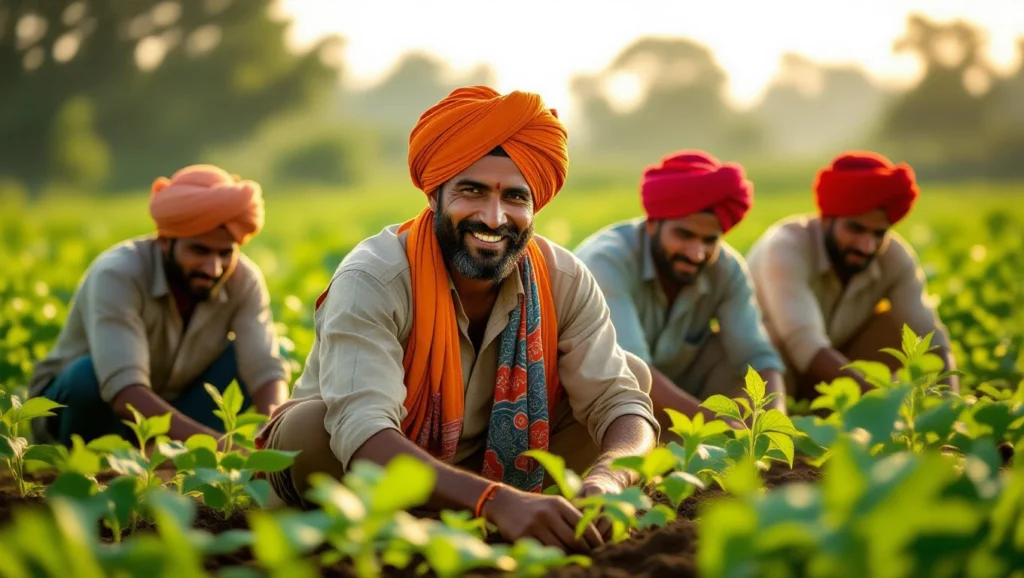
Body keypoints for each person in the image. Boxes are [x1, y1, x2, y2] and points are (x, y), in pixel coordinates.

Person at [257, 86, 660, 554]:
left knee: (632, 377)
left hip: (492, 471)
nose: (494, 217)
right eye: (472, 191)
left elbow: (620, 403)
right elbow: (364, 431)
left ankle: (477, 510)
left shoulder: (563, 277)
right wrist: (493, 500)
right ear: (434, 196)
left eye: (514, 197)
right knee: (310, 430)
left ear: (534, 208)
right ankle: (450, 514)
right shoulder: (376, 276)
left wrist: (610, 482)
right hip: (362, 466)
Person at [29, 165, 291, 448]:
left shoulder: (244, 279)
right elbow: (124, 391)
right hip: (89, 410)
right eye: (199, 250)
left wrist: (269, 441)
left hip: (174, 407)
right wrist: (224, 448)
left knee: (272, 358)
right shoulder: (118, 273)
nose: (213, 268)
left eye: (225, 253)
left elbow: (265, 370)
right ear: (165, 242)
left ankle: (167, 453)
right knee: (86, 377)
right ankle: (95, 467)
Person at [574, 150, 787, 433]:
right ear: (652, 225)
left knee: (740, 358)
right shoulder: (607, 261)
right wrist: (718, 428)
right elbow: (630, 370)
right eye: (684, 235)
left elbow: (758, 355)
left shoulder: (726, 268)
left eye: (709, 240)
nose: (696, 253)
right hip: (604, 398)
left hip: (678, 388)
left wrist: (774, 424)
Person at [746, 151, 958, 399]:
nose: (866, 245)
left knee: (899, 329)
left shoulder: (894, 257)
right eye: (855, 229)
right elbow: (805, 345)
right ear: (826, 219)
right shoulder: (787, 247)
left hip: (838, 368)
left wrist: (951, 407)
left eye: (878, 233)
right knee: (767, 340)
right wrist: (882, 405)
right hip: (774, 377)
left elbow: (931, 337)